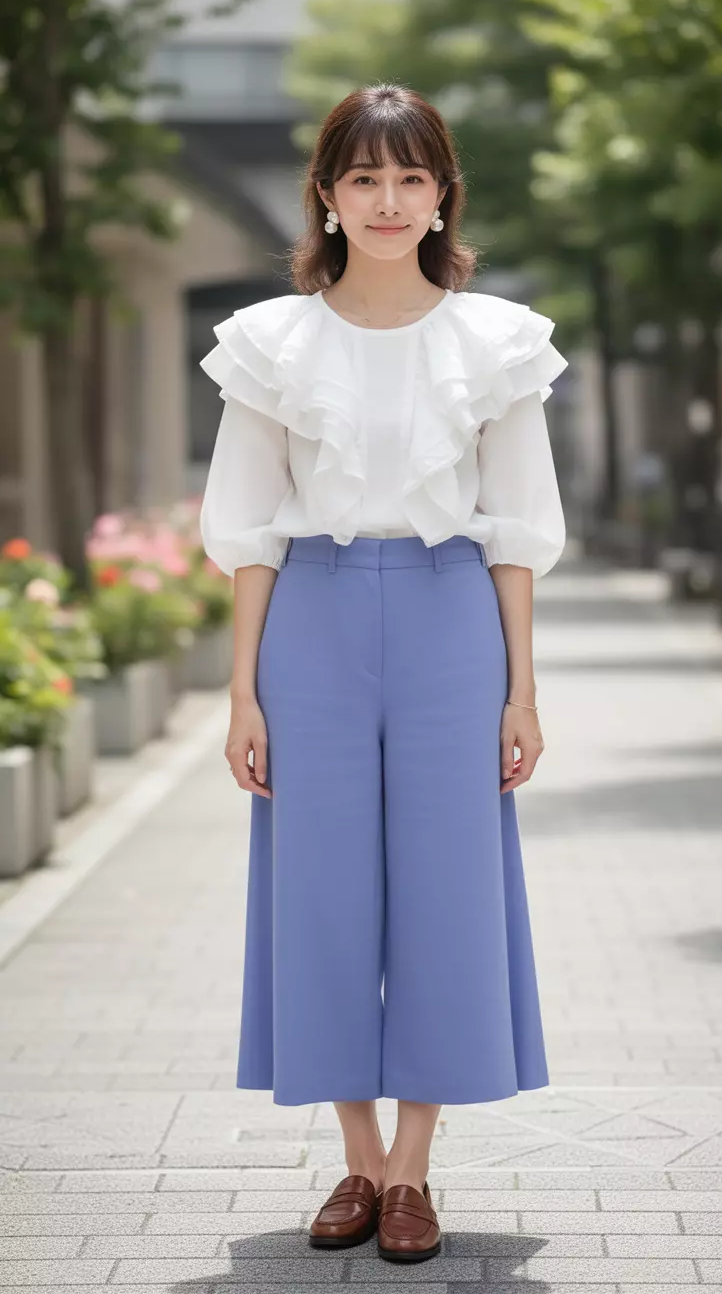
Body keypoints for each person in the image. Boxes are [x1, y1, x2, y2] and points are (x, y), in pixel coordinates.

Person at [198, 82, 568, 1265]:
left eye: (412, 177)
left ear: (443, 192)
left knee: (449, 892)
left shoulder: (495, 340)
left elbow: (518, 531)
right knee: (319, 891)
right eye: (365, 177)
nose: (390, 200)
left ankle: (412, 1171)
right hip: (310, 618)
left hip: (452, 618)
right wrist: (242, 693)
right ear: (326, 194)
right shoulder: (272, 343)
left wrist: (521, 690)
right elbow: (248, 532)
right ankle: (356, 1159)